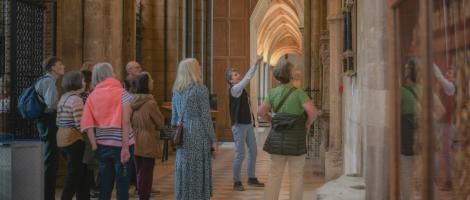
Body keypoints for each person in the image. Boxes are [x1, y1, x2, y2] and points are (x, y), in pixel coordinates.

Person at [258, 60, 317, 200]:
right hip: (296, 139)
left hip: (277, 140)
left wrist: (271, 121)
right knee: (296, 175)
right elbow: (313, 113)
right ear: (291, 74)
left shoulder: (272, 93)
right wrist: (307, 124)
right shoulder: (299, 93)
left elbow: (261, 112)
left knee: (274, 174)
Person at [81, 63, 135, 200]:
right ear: (110, 74)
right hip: (122, 144)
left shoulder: (92, 96)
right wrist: (125, 147)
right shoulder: (123, 93)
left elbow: (88, 125)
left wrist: (94, 146)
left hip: (102, 145)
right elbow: (125, 122)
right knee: (122, 184)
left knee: (105, 184)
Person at [171, 58, 217, 200]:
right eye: (198, 66)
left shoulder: (176, 91)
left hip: (183, 132)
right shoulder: (200, 90)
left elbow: (174, 118)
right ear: (194, 70)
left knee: (184, 168)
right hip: (197, 132)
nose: (201, 67)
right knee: (197, 169)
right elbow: (205, 117)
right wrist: (213, 140)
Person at [224, 57, 264, 191]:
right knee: (240, 154)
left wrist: (253, 121)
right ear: (230, 80)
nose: (238, 75)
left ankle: (251, 177)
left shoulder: (241, 90)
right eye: (235, 75)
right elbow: (247, 78)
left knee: (253, 151)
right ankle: (237, 181)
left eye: (238, 74)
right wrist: (255, 64)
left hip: (247, 124)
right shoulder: (235, 90)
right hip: (239, 125)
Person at [130, 72, 164, 200]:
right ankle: (144, 196)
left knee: (139, 170)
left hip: (133, 138)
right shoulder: (150, 102)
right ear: (146, 84)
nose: (153, 81)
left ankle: (141, 194)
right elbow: (160, 122)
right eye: (151, 79)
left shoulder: (131, 100)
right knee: (147, 170)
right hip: (148, 139)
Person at [35, 56, 65, 200]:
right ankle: (48, 195)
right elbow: (51, 104)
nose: (63, 66)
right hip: (49, 122)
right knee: (50, 159)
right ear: (53, 67)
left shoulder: (44, 81)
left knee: (49, 156)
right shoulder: (49, 83)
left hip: (44, 122)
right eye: (60, 64)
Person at [56, 71, 89, 200]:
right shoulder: (76, 99)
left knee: (82, 172)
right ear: (78, 82)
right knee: (73, 174)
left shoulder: (64, 97)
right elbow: (80, 123)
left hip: (61, 137)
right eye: (83, 80)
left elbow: (58, 120)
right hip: (73, 139)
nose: (85, 83)